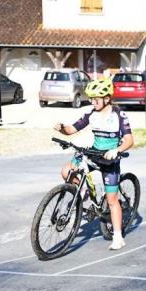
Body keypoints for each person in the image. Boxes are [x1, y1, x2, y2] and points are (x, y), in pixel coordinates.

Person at [55, 77, 134, 251]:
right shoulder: (91, 114)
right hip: (94, 153)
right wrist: (62, 128)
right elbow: (71, 130)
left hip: (110, 158)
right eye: (91, 98)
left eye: (96, 98)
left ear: (107, 98)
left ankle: (118, 237)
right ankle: (82, 193)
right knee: (67, 170)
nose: (93, 101)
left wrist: (117, 150)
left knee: (112, 200)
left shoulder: (119, 115)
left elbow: (129, 140)